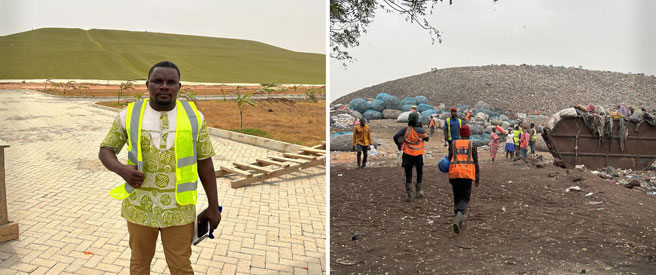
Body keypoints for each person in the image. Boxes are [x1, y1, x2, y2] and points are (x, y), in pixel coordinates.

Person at [99, 61, 221, 275]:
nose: (164, 86)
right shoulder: (128, 114)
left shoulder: (195, 118)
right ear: (147, 85)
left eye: (170, 82)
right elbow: (106, 150)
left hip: (179, 210)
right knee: (139, 264)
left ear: (179, 87)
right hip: (139, 208)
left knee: (181, 267)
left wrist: (213, 206)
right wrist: (122, 170)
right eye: (158, 81)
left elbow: (205, 163)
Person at [448, 124, 479, 234]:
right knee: (465, 197)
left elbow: (449, 159)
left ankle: (457, 216)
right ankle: (460, 214)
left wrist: (449, 175)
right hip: (467, 174)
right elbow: (475, 162)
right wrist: (477, 177)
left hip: (455, 173)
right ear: (469, 133)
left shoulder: (453, 144)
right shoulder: (472, 144)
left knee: (457, 196)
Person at [394, 112, 429, 202]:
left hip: (407, 155)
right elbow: (427, 138)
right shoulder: (420, 130)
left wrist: (399, 145)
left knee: (408, 174)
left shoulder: (405, 130)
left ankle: (410, 195)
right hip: (418, 155)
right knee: (419, 172)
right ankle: (419, 191)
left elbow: (395, 137)